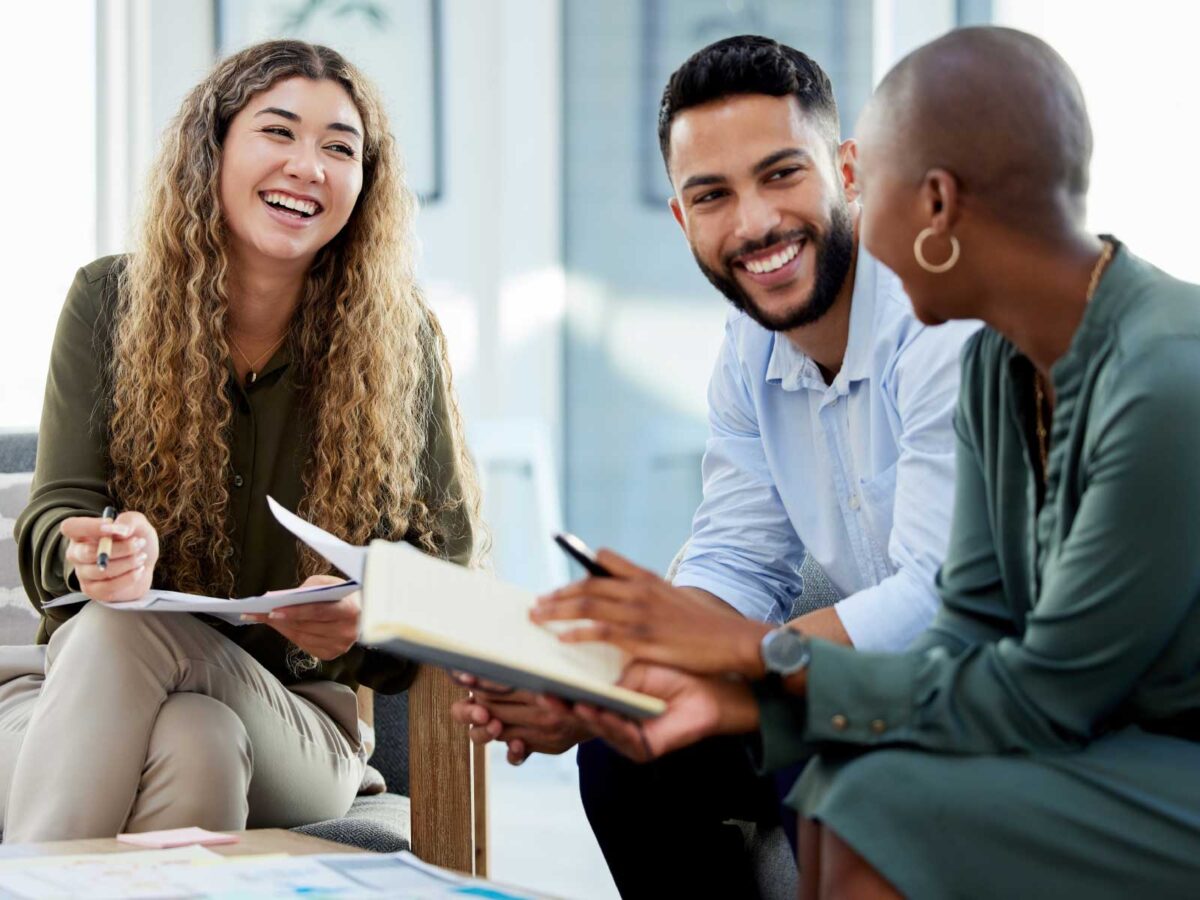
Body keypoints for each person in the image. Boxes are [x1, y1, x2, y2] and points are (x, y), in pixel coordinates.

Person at [544, 25, 1200, 898]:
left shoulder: (1152, 377)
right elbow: (971, 619)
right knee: (806, 779)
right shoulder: (1012, 367)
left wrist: (747, 665)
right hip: (1050, 711)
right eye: (712, 195)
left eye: (848, 178)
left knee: (872, 795)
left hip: (1142, 742)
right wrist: (681, 675)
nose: (767, 223)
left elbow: (1040, 687)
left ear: (926, 201)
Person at [456, 35, 974, 897]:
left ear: (847, 169)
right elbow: (738, 557)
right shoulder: (748, 349)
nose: (755, 225)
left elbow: (935, 599)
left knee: (816, 741)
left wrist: (719, 656)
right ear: (681, 218)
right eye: (713, 195)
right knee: (629, 752)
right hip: (852, 681)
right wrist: (595, 685)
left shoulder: (937, 318)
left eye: (781, 174)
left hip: (977, 690)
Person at [7, 39, 478, 841]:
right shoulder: (107, 303)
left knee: (137, 645)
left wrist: (367, 620)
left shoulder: (402, 344)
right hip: (75, 690)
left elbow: (448, 582)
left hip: (296, 721)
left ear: (365, 185)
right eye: (279, 132)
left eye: (340, 147)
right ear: (214, 148)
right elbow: (58, 517)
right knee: (197, 743)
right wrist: (97, 554)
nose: (309, 166)